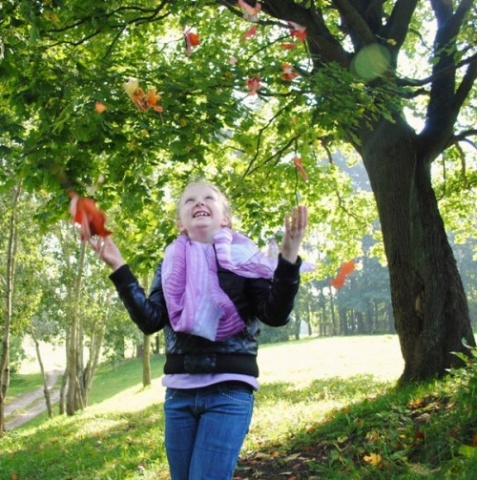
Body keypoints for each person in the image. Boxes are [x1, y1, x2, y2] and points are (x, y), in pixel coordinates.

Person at [90, 180, 309, 480]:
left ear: (225, 217)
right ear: (181, 222)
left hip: (229, 392)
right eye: (189, 200)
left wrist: (287, 261)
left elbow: (275, 314)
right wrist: (118, 267)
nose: (199, 203)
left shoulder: (247, 259)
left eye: (208, 198)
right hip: (179, 395)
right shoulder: (168, 264)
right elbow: (151, 320)